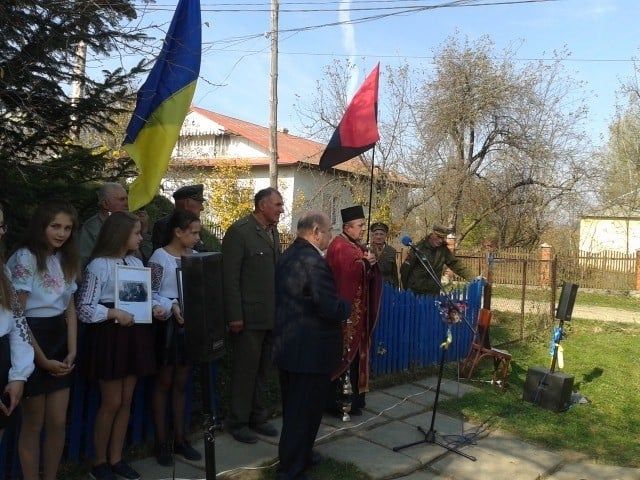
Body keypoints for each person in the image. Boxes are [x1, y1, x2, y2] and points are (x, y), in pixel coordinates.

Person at [76, 211, 164, 480]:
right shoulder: (99, 266)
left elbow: (140, 299)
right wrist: (112, 314)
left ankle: (116, 458)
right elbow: (84, 307)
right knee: (111, 401)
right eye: (137, 233)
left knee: (127, 400)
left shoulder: (136, 263)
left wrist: (157, 308)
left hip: (135, 334)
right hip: (110, 336)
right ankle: (98, 462)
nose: (141, 237)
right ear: (120, 234)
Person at [273, 211, 351, 480]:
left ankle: (301, 455)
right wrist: (346, 307)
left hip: (289, 346)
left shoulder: (288, 255)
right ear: (316, 231)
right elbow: (328, 306)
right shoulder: (313, 262)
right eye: (329, 231)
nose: (330, 236)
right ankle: (291, 470)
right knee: (302, 414)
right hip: (309, 352)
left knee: (297, 411)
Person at [7, 201, 80, 480]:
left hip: (59, 340)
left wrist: (72, 350)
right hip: (32, 339)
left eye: (67, 228)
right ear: (41, 226)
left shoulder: (65, 258)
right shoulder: (25, 258)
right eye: (55, 226)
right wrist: (41, 359)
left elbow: (70, 308)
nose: (62, 233)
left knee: (58, 422)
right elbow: (19, 315)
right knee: (33, 423)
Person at [222, 187, 284, 444]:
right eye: (278, 204)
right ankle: (238, 421)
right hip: (248, 317)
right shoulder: (240, 232)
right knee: (245, 371)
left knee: (262, 371)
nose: (282, 209)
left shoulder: (272, 232)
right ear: (261, 206)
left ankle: (258, 417)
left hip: (269, 315)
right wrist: (235, 315)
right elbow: (230, 277)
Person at [149, 210, 203, 466]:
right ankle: (162, 442)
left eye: (198, 232)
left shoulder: (194, 257)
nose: (197, 237)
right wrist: (171, 305)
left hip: (188, 325)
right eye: (192, 232)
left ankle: (181, 438)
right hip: (167, 326)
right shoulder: (160, 257)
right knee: (164, 382)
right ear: (178, 232)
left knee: (182, 382)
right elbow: (151, 292)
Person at [325, 206, 382, 416]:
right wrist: (364, 264)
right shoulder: (339, 246)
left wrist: (371, 264)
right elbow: (345, 273)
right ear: (347, 227)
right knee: (343, 358)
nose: (362, 230)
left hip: (359, 315)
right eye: (359, 226)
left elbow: (366, 271)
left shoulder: (356, 245)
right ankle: (338, 403)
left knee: (357, 358)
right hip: (346, 316)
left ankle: (355, 401)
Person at [0, 203, 34, 441]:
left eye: (1, 225)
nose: (1, 232)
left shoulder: (3, 271)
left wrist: (18, 375)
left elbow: (16, 322)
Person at [400, 225, 472, 296]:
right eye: (438, 237)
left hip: (433, 293)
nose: (440, 240)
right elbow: (405, 270)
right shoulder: (419, 248)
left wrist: (472, 278)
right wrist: (406, 289)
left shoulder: (443, 250)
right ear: (432, 234)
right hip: (416, 292)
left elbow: (455, 264)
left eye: (443, 238)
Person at [78, 183, 129, 266]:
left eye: (126, 199)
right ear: (105, 204)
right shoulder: (91, 227)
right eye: (122, 199)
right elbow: (83, 262)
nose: (127, 204)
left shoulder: (127, 224)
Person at [152, 184, 206, 252]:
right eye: (199, 203)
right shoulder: (164, 225)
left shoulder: (195, 224)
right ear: (187, 203)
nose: (202, 208)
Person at [369, 222, 399, 287]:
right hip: (370, 286)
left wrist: (396, 288)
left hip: (386, 287)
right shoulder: (365, 249)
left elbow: (394, 273)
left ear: (386, 235)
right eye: (376, 234)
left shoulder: (391, 251)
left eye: (381, 234)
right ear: (372, 235)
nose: (378, 237)